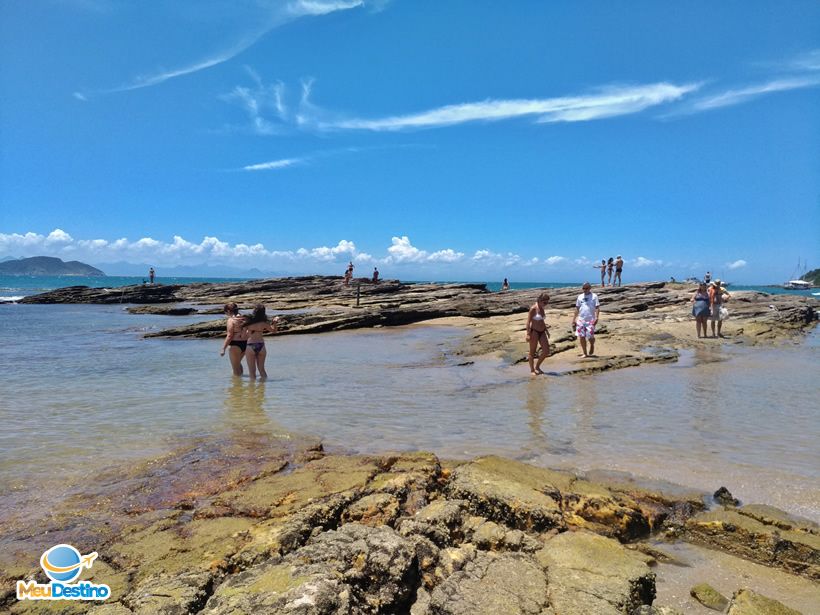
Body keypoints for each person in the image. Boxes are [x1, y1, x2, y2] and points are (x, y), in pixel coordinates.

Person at [243, 304, 280, 379]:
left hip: (251, 346)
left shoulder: (249, 323)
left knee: (252, 372)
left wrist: (247, 332)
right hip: (261, 346)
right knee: (262, 370)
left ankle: (252, 390)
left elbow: (244, 336)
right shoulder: (264, 323)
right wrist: (274, 322)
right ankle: (262, 389)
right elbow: (274, 331)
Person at [220, 303, 248, 376]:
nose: (226, 314)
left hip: (235, 345)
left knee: (235, 369)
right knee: (238, 364)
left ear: (229, 311)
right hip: (246, 343)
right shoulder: (244, 318)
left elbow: (229, 335)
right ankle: (241, 384)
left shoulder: (231, 320)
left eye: (225, 312)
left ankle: (237, 386)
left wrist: (223, 348)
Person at [572, 282, 600, 357]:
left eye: (586, 288)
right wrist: (574, 319)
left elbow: (597, 307)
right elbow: (577, 308)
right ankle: (585, 353)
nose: (585, 290)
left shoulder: (594, 296)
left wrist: (597, 317)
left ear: (590, 288)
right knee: (581, 336)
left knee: (590, 336)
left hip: (591, 319)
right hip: (581, 319)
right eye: (583, 288)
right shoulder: (580, 297)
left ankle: (592, 345)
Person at [526, 292, 551, 375]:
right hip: (534, 332)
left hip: (542, 331)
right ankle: (532, 370)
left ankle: (537, 366)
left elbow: (541, 320)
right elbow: (528, 322)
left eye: (547, 302)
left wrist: (547, 331)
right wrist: (528, 334)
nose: (546, 304)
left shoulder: (542, 308)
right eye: (545, 302)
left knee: (546, 351)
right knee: (532, 352)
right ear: (540, 300)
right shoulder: (533, 308)